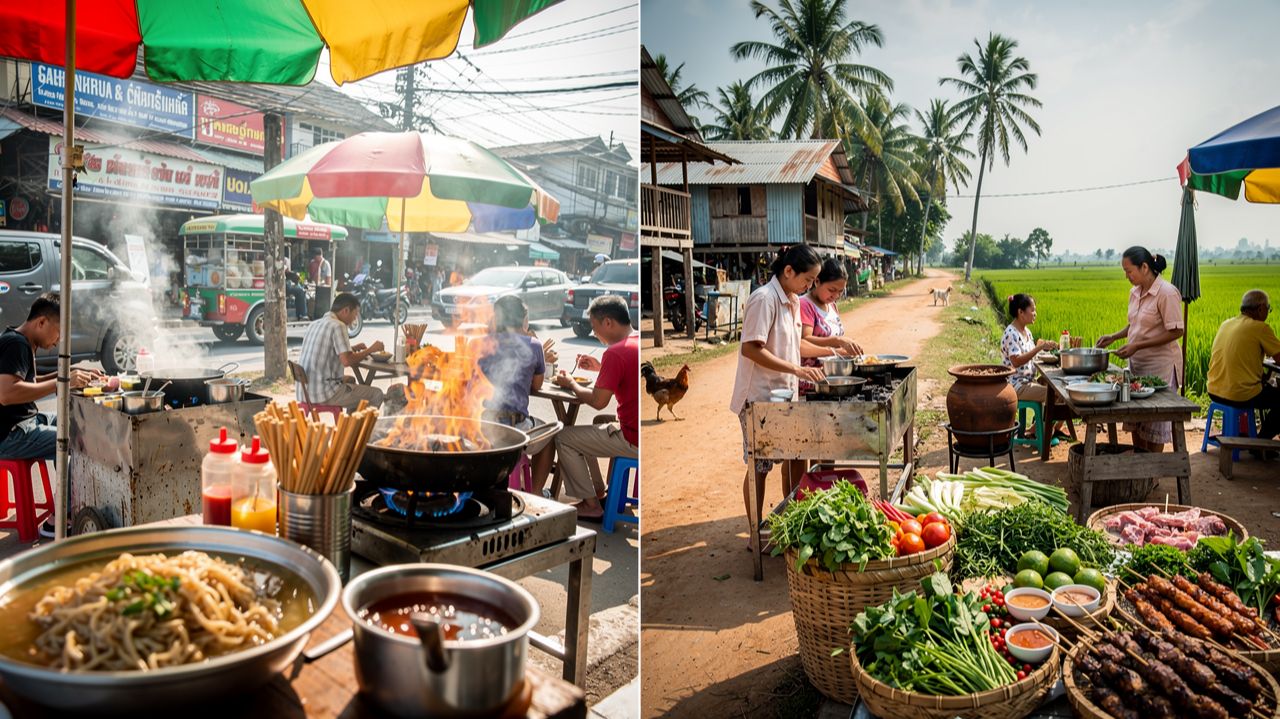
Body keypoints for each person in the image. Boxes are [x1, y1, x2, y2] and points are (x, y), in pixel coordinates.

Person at [729, 245, 829, 546]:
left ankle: (794, 523)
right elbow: (751, 348)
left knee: (796, 457)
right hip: (758, 398)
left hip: (784, 395)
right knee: (759, 467)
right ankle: (755, 533)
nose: (809, 286)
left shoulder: (793, 300)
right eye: (807, 279)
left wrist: (831, 349)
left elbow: (795, 345)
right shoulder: (764, 299)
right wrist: (797, 370)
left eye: (813, 281)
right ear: (788, 271)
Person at [546, 295, 637, 521]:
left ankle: (591, 504)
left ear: (608, 322)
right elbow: (625, 376)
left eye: (595, 328)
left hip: (632, 438)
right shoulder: (635, 341)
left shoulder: (615, 352)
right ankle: (598, 491)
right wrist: (600, 368)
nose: (595, 334)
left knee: (564, 437)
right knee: (597, 425)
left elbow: (598, 401)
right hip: (636, 432)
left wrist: (571, 383)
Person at [1096, 246, 1185, 452]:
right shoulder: (1135, 292)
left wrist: (1137, 345)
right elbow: (1135, 324)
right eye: (1124, 271)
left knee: (1154, 421)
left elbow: (1176, 331)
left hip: (1160, 368)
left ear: (1144, 267)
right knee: (1136, 418)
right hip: (1137, 365)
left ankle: (1151, 469)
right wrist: (1114, 336)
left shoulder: (1166, 293)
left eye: (1129, 271)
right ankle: (1140, 463)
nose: (1126, 276)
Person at [0, 294, 98, 461]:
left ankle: (63, 477)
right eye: (59, 333)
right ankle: (68, 480)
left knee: (74, 423)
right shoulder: (17, 344)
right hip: (10, 435)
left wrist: (67, 374)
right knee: (79, 441)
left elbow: (29, 383)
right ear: (42, 322)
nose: (58, 341)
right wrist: (62, 383)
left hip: (27, 421)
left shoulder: (21, 340)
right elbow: (6, 394)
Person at [476, 296, 557, 494]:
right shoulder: (534, 345)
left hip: (485, 424)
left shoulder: (484, 343)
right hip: (516, 428)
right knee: (550, 437)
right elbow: (537, 385)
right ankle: (535, 493)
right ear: (523, 318)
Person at [1207, 289, 1280, 446]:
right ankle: (1261, 443)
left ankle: (1255, 439)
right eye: (1268, 309)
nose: (1268, 313)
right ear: (1260, 309)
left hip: (1214, 391)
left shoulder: (1226, 324)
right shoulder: (1260, 328)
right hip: (1240, 395)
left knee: (1267, 392)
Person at [296, 293, 385, 410]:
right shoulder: (338, 326)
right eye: (355, 314)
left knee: (351, 381)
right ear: (346, 310)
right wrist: (370, 350)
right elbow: (347, 361)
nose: (355, 319)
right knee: (377, 394)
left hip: (304, 391)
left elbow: (328, 350)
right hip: (323, 393)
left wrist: (352, 349)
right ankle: (359, 422)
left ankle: (351, 420)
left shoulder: (314, 324)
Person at [1000, 293, 1064, 439]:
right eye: (1032, 310)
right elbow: (1016, 361)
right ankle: (1043, 431)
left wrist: (1046, 348)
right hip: (1016, 385)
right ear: (1021, 312)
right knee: (1057, 395)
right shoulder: (1011, 333)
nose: (1035, 313)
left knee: (1059, 385)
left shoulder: (1027, 332)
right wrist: (1039, 347)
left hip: (1029, 380)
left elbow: (1032, 355)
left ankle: (1038, 429)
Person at [799, 259, 863, 362]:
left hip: (833, 367)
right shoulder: (804, 305)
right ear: (817, 282)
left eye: (840, 291)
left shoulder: (832, 306)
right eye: (831, 290)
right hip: (812, 370)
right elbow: (805, 339)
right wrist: (838, 341)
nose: (836, 296)